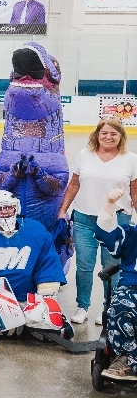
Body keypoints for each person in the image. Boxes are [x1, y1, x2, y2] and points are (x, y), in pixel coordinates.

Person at [58, 118, 137, 324]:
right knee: (84, 265)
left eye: (114, 133)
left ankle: (110, 307)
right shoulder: (85, 155)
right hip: (85, 218)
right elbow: (73, 185)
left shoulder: (130, 159)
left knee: (111, 265)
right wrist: (63, 210)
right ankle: (82, 306)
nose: (108, 137)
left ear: (121, 136)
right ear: (97, 134)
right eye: (104, 133)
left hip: (117, 219)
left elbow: (135, 192)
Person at [0, 191, 66, 332]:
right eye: (0, 208)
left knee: (50, 322)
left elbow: (47, 263)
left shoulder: (36, 230)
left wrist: (45, 299)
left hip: (27, 299)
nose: (5, 212)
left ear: (16, 207)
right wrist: (2, 302)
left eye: (9, 207)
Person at [94, 187, 137, 380]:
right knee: (120, 307)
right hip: (132, 285)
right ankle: (126, 358)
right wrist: (109, 205)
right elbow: (107, 234)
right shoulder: (132, 234)